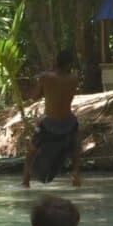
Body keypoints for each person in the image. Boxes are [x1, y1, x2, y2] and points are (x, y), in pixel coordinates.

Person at [22, 49, 82, 188]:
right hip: (69, 122)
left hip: (49, 123)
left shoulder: (45, 77)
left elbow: (34, 96)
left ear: (56, 62)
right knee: (76, 146)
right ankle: (76, 172)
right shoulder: (74, 78)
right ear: (70, 64)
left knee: (31, 149)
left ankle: (26, 180)